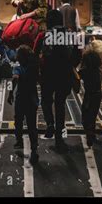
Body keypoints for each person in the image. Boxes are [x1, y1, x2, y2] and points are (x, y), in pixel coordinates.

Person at [36, 10, 81, 153]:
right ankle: (59, 137)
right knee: (60, 104)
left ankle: (49, 123)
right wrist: (70, 66)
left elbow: (34, 53)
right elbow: (77, 54)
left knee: (46, 100)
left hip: (48, 74)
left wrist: (39, 69)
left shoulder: (43, 35)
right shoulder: (69, 35)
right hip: (64, 74)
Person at [7, 45, 40, 164]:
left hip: (21, 99)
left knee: (18, 120)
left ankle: (19, 141)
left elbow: (14, 79)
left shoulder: (18, 68)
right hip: (32, 99)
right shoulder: (34, 68)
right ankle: (34, 149)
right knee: (32, 126)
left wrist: (10, 93)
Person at [79, 44, 102, 147]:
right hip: (98, 94)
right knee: (93, 115)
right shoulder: (99, 71)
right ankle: (91, 133)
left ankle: (89, 133)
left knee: (85, 114)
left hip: (89, 95)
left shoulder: (84, 71)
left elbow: (76, 77)